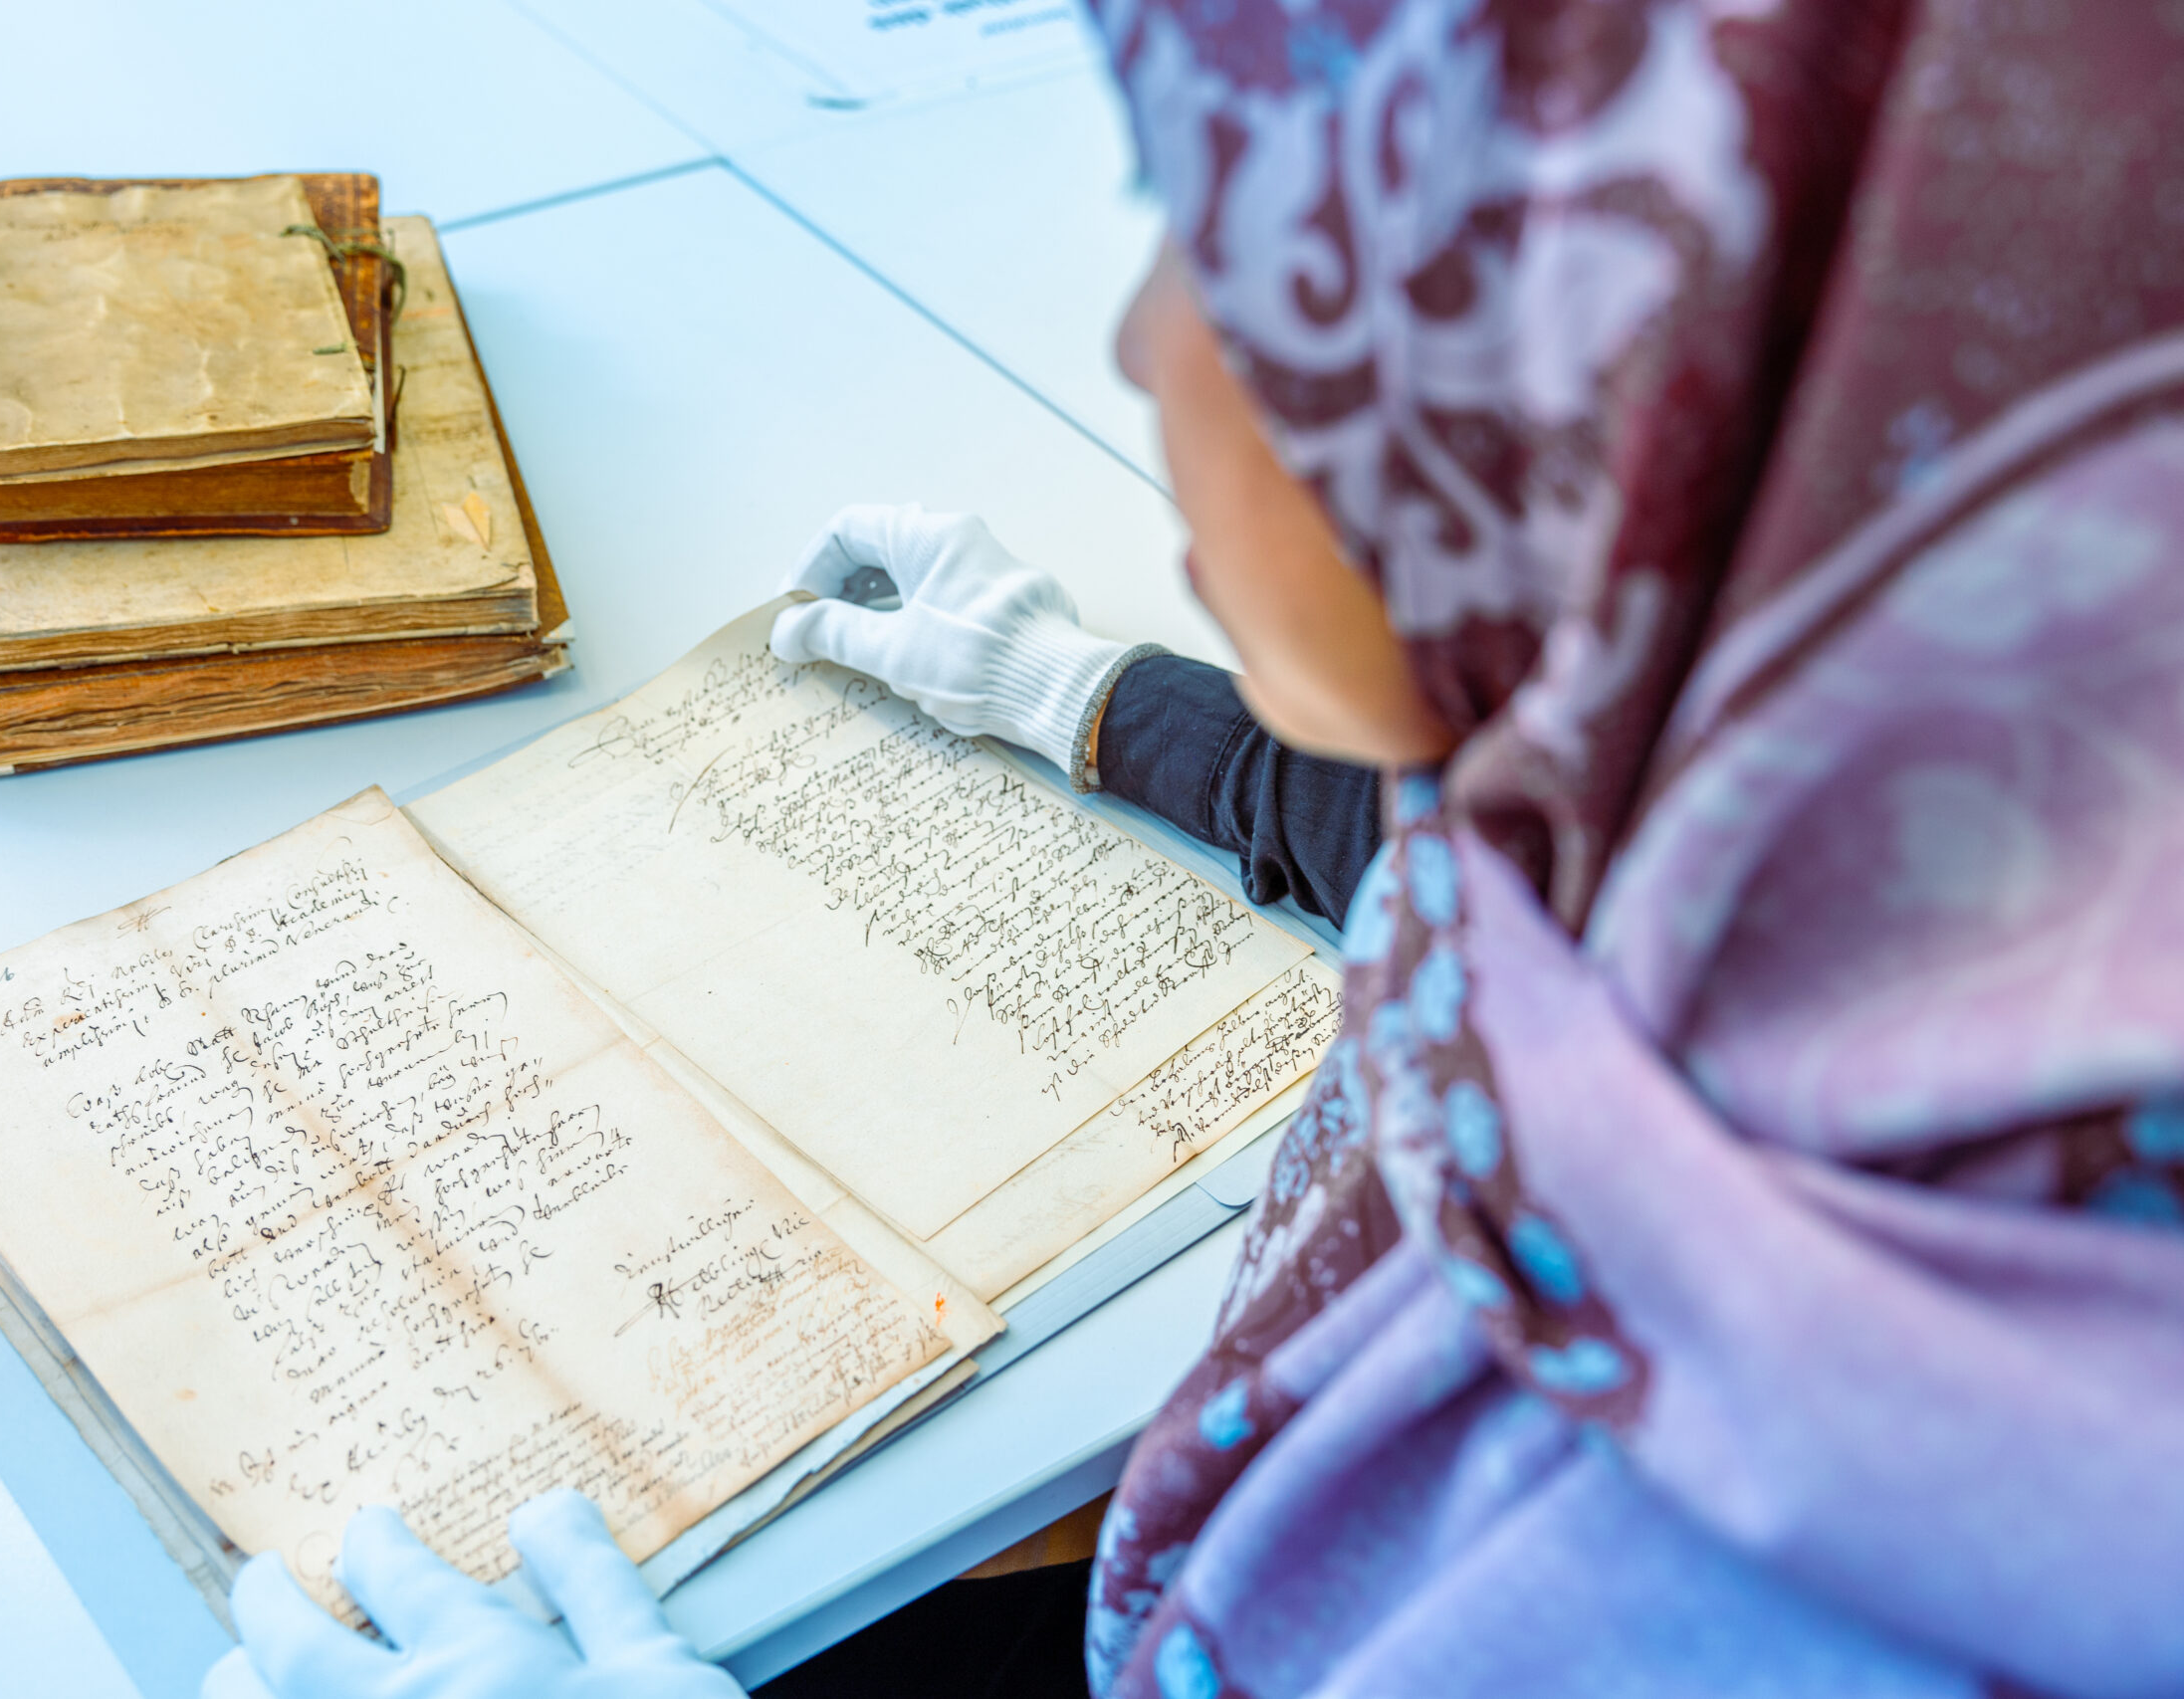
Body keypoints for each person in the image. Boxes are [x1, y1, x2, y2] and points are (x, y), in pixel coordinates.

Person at [207, 1, 2184, 1695]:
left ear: (1617, 367)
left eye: (1228, 244)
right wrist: (1081, 693)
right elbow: (1463, 840)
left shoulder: (1804, 1582)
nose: (1143, 344)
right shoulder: (1954, 785)